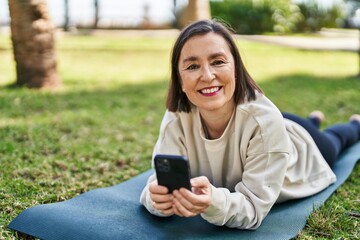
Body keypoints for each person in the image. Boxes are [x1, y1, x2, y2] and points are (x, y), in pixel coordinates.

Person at [140, 19, 360, 229]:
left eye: (218, 62)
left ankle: (352, 124)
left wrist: (213, 202)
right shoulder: (176, 117)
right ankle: (314, 119)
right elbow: (156, 185)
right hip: (266, 126)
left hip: (298, 149)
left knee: (336, 140)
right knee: (287, 121)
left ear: (236, 68)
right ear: (179, 80)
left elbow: (252, 210)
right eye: (192, 66)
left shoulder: (264, 122)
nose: (207, 76)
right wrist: (155, 198)